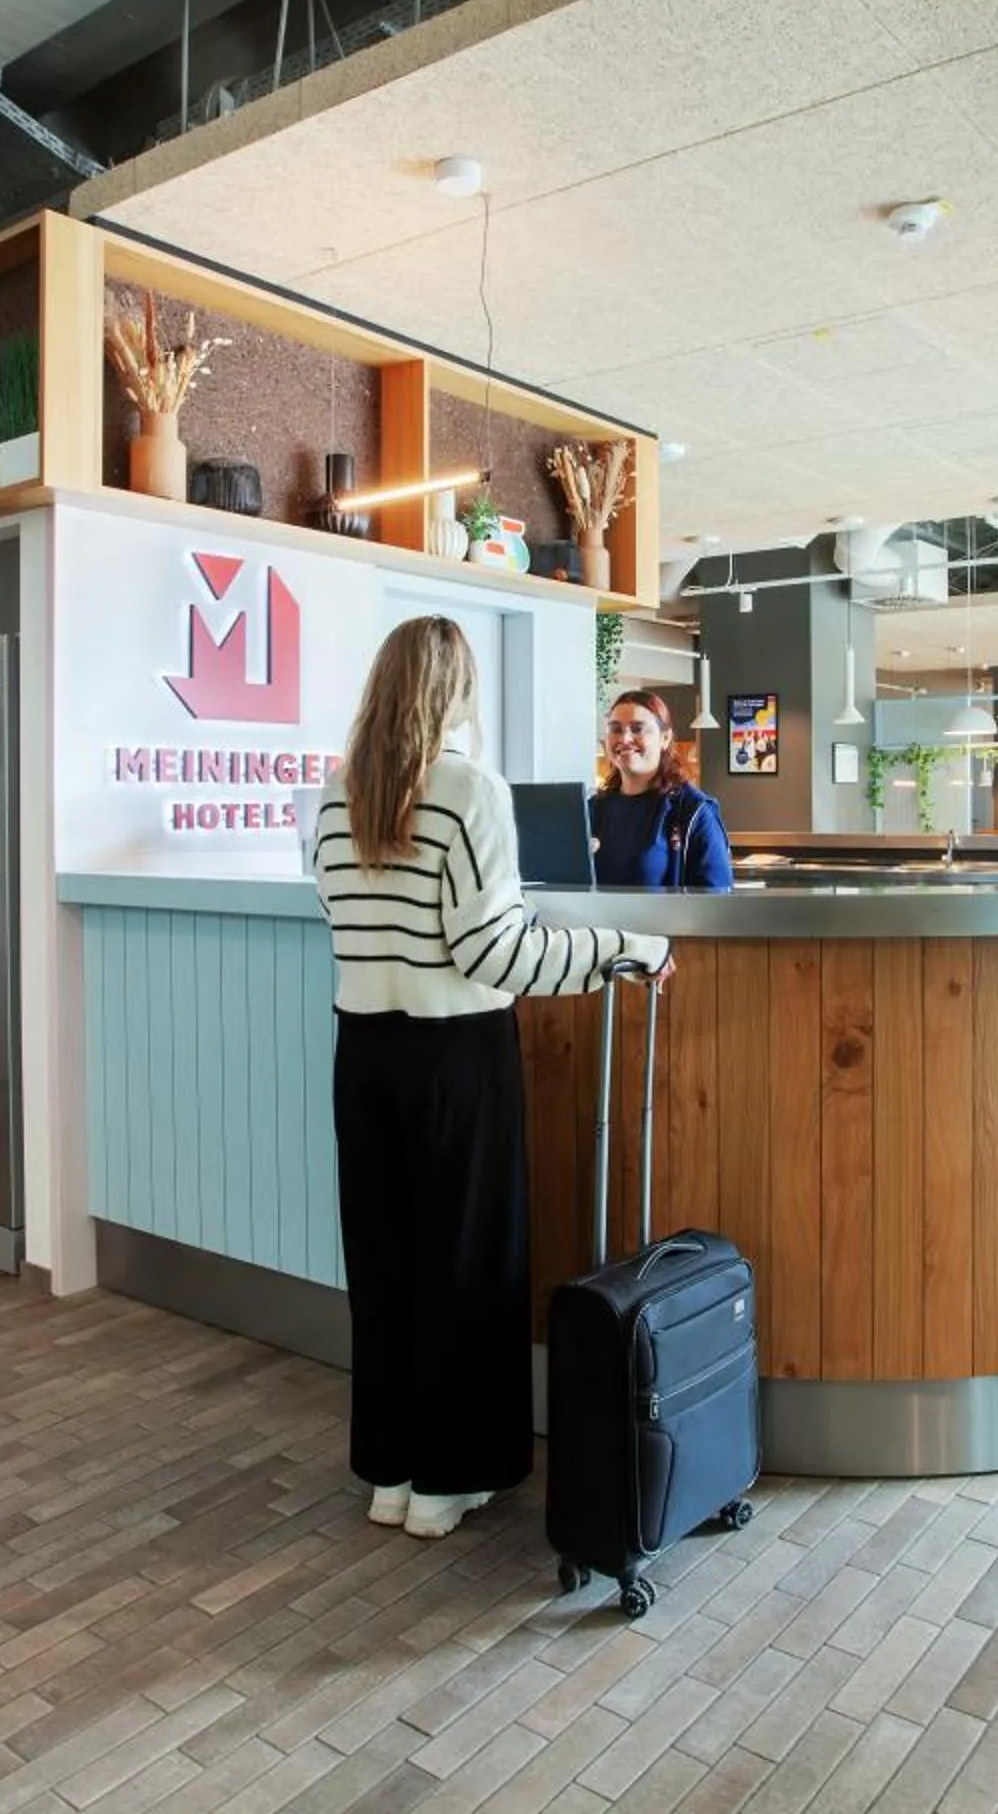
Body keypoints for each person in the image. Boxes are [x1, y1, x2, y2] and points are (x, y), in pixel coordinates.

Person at [309, 616, 672, 1542]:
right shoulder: (470, 789)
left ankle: (391, 1471)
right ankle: (449, 1478)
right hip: (453, 1057)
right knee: (465, 1263)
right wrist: (623, 950)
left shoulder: (335, 792)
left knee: (385, 1262)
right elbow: (492, 948)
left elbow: (343, 917)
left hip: (364, 1054)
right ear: (456, 691)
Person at [592, 689, 735, 890]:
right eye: (615, 729)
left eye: (637, 729)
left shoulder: (694, 811)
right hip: (593, 923)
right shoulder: (592, 810)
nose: (624, 739)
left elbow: (715, 901)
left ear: (665, 738)